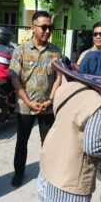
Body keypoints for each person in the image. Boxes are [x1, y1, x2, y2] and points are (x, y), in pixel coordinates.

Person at [37, 51, 101, 202]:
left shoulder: (66, 88)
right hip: (70, 182)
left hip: (48, 168)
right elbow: (92, 147)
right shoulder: (99, 104)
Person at [9, 10, 62, 187]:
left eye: (50, 27)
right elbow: (14, 77)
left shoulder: (55, 51)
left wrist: (51, 100)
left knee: (48, 144)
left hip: (47, 106)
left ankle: (47, 176)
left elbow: (58, 79)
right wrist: (28, 101)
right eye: (44, 27)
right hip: (25, 106)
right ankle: (19, 173)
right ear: (33, 27)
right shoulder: (21, 50)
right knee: (21, 142)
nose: (47, 31)